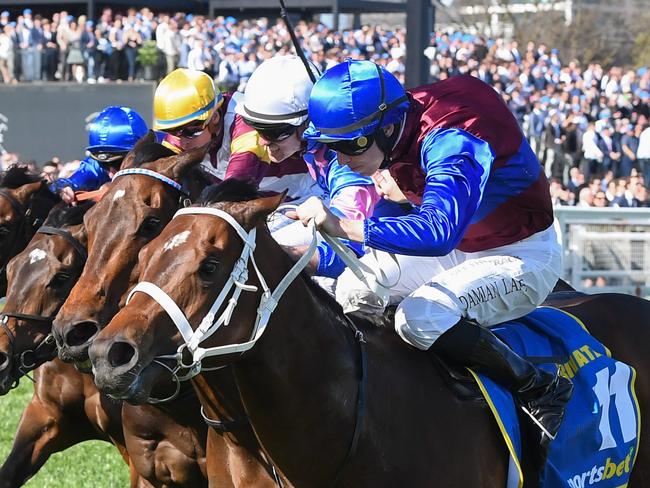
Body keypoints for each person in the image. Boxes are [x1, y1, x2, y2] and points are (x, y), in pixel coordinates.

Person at [291, 60, 573, 452]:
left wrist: (342, 226)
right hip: (466, 247)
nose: (341, 159)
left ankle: (538, 387)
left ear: (387, 129)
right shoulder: (397, 119)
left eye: (349, 145)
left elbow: (438, 233)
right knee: (355, 287)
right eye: (332, 146)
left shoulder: (454, 137)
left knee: (420, 317)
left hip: (521, 255)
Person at [235, 55, 407, 272]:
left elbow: (350, 251)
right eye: (255, 128)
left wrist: (283, 258)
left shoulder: (348, 160)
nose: (262, 141)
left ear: (308, 123)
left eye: (273, 132)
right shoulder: (312, 149)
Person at [153, 67, 315, 215]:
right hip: (263, 208)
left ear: (214, 117)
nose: (181, 142)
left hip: (305, 200)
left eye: (191, 131)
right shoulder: (184, 132)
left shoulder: (244, 123)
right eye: (173, 131)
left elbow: (233, 191)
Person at [50, 105, 148, 204]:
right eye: (103, 164)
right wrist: (62, 187)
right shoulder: (95, 165)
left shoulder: (160, 158)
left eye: (117, 163)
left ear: (139, 152)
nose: (110, 174)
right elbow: (69, 183)